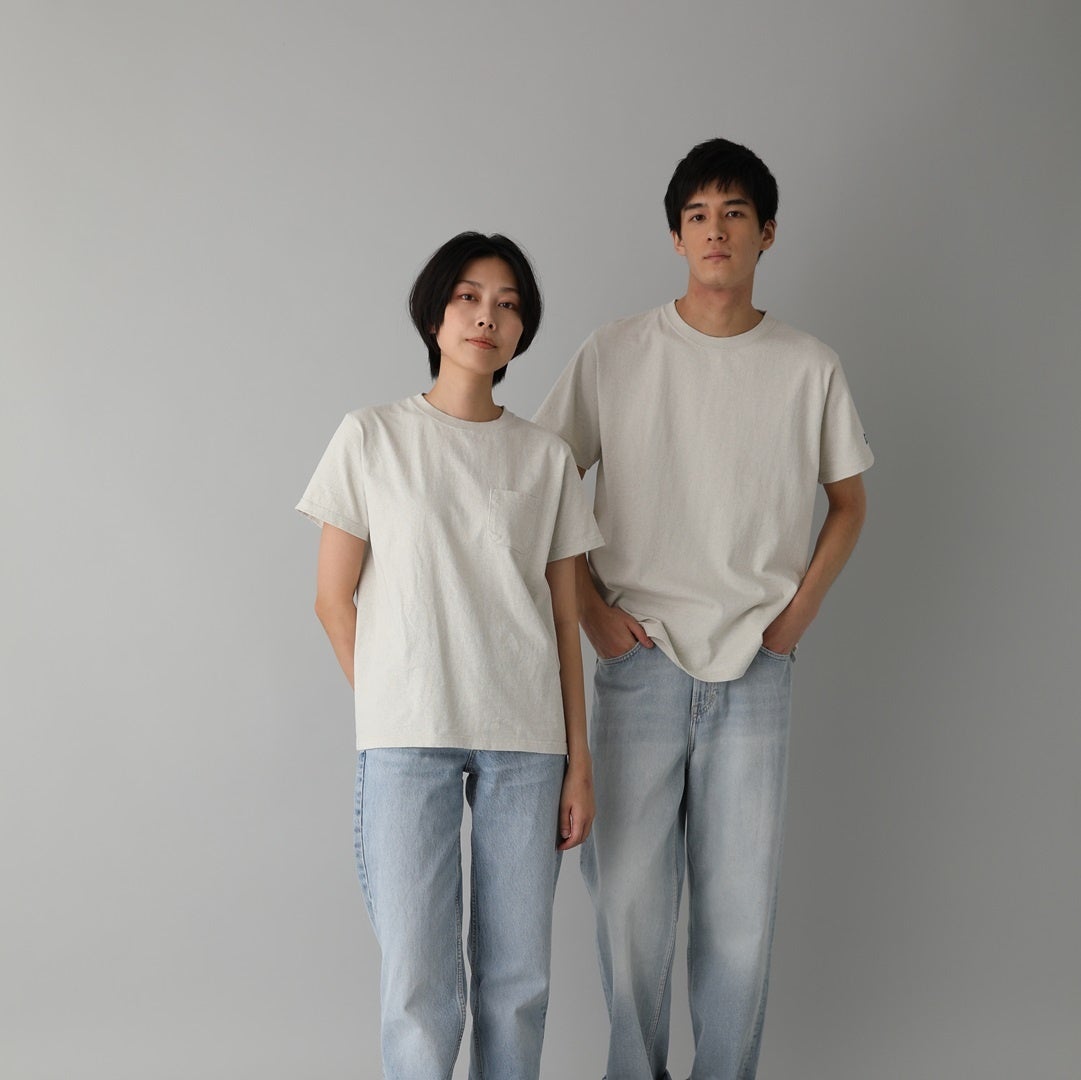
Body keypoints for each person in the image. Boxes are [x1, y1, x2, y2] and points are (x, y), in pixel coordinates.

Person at [533, 138, 874, 1080]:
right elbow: (543, 487)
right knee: (627, 911)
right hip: (637, 664)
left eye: (733, 213)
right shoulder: (614, 353)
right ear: (675, 238)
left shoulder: (807, 366)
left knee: (739, 917)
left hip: (756, 666)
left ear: (767, 233)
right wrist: (590, 610)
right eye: (696, 215)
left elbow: (849, 503)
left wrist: (796, 617)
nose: (714, 230)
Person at [297, 232, 603, 1080]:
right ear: (434, 313)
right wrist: (394, 697)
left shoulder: (546, 458)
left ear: (522, 330)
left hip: (526, 742)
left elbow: (564, 617)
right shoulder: (371, 436)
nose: (486, 317)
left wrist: (579, 764)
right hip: (408, 741)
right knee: (420, 985)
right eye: (468, 297)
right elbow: (332, 599)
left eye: (507, 304)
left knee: (517, 982)